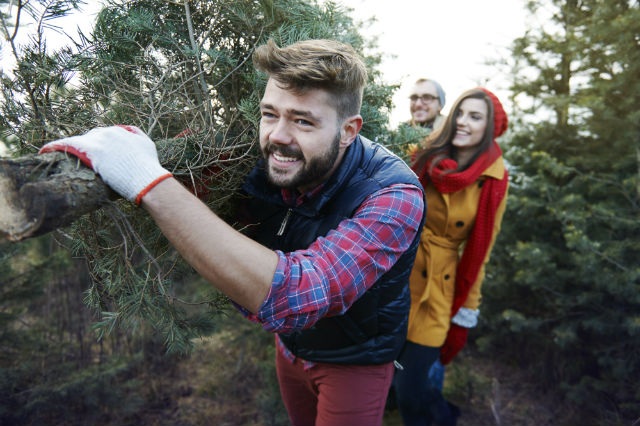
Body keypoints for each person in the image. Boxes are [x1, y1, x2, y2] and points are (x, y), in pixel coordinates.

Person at [40, 38, 426, 426]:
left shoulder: (394, 196)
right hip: (289, 350)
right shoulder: (265, 156)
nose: (278, 135)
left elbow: (300, 294)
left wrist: (147, 180)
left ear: (348, 130)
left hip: (354, 362)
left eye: (303, 121)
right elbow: (197, 170)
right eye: (270, 113)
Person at [394, 88, 510, 426]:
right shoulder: (422, 153)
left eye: (475, 117)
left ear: (488, 128)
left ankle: (441, 418)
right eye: (460, 112)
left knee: (410, 387)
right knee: (389, 376)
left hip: (437, 293)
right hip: (398, 277)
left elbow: (480, 253)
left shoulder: (494, 180)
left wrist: (465, 314)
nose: (462, 122)